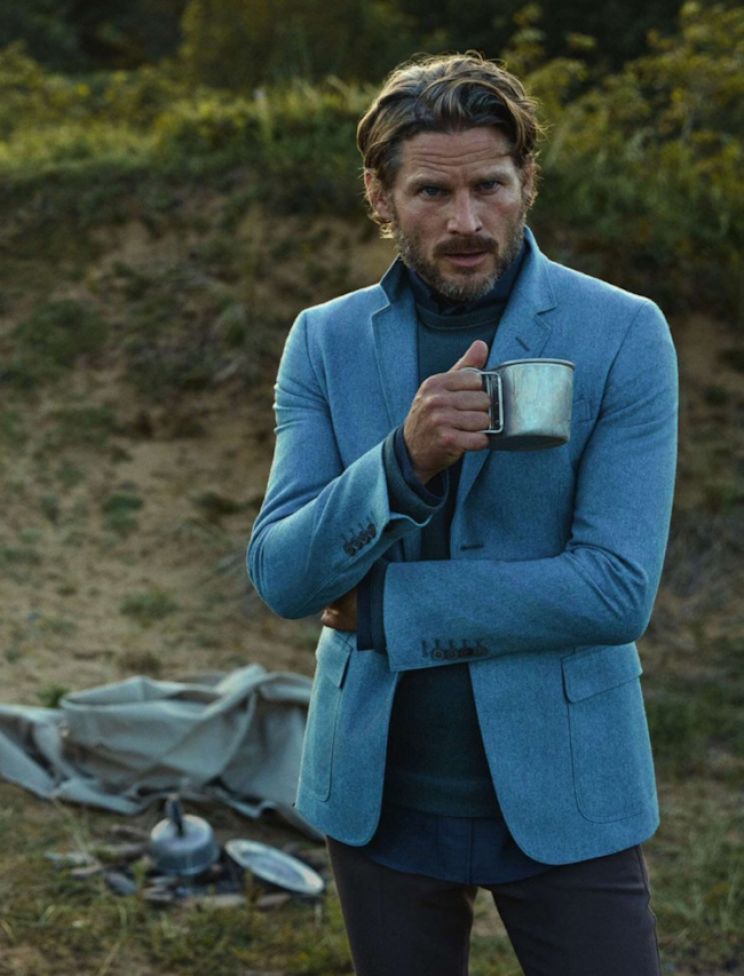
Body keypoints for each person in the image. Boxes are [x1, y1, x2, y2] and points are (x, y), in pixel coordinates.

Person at [247, 52, 677, 976]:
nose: (467, 222)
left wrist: (386, 611)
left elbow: (616, 590)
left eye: (490, 185)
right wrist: (402, 463)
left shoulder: (623, 332)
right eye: (432, 192)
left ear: (528, 182)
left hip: (570, 787)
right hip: (378, 796)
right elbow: (283, 575)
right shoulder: (323, 340)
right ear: (381, 195)